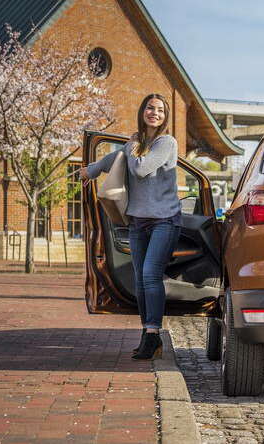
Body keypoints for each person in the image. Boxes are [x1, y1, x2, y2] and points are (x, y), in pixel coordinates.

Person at [80, 93, 181, 360]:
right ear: (142, 111)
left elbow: (141, 169)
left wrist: (130, 147)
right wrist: (90, 170)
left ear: (165, 116)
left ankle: (153, 335)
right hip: (137, 222)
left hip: (164, 221)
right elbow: (114, 160)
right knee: (139, 280)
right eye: (150, 108)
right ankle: (147, 334)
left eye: (160, 110)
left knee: (150, 275)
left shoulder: (166, 143)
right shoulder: (135, 143)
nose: (154, 113)